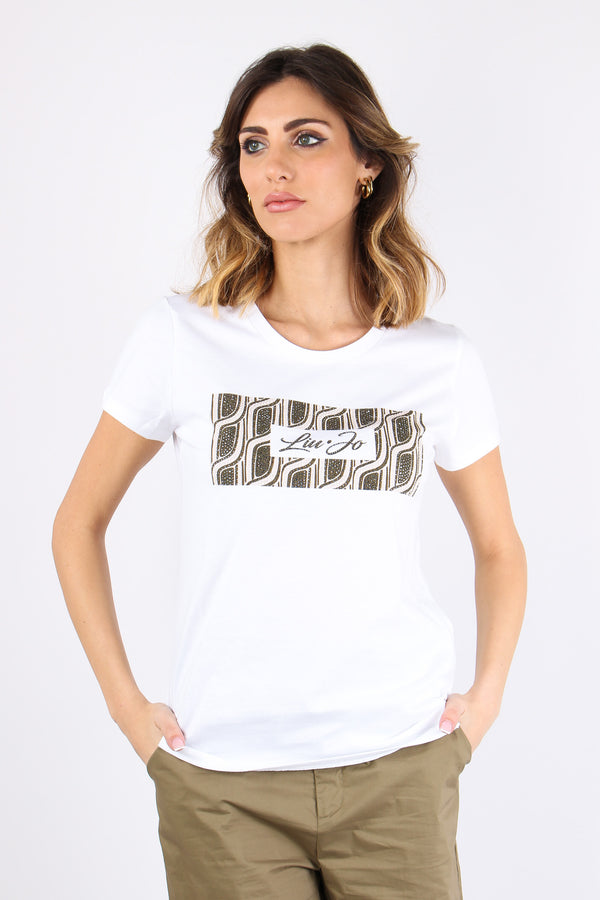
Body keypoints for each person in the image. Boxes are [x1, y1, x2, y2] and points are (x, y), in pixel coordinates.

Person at [52, 43, 527, 900]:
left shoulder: (438, 361)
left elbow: (498, 547)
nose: (275, 166)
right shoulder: (181, 337)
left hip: (400, 768)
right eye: (253, 144)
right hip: (222, 783)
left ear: (368, 164)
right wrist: (129, 710)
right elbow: (77, 523)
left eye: (307, 138)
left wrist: (484, 701)